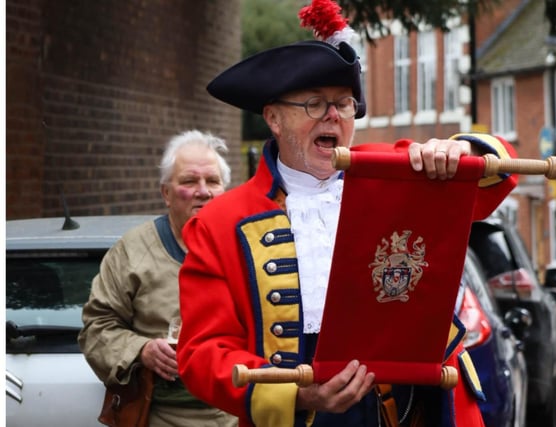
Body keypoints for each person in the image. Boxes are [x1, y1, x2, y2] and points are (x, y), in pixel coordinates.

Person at [177, 2, 518, 426]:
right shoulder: (219, 222)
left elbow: (496, 176)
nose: (334, 116)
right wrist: (296, 394)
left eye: (344, 103)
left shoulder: (395, 176)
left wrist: (461, 151)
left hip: (414, 408)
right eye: (316, 104)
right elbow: (202, 353)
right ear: (274, 119)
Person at [79, 130, 238, 427]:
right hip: (162, 416)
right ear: (166, 193)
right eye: (190, 181)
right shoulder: (133, 251)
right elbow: (96, 328)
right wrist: (141, 350)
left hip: (239, 414)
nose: (203, 191)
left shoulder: (247, 246)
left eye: (213, 181)